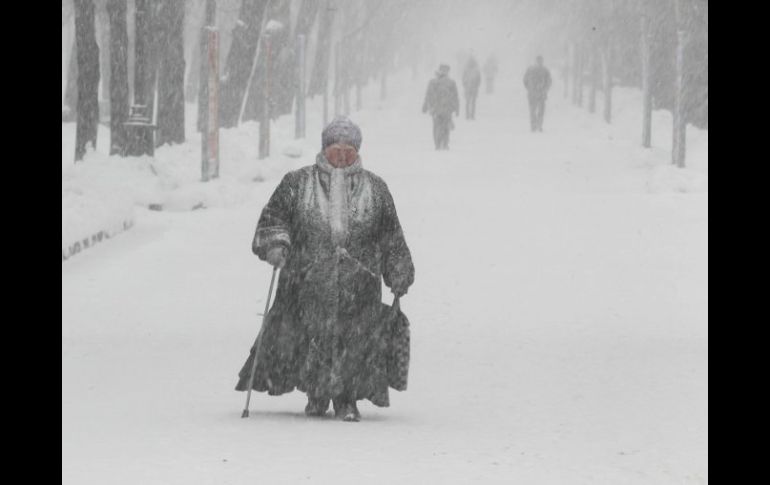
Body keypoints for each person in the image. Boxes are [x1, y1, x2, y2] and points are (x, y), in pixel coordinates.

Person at [235, 117, 415, 422]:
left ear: (358, 152)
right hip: (307, 280)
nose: (342, 155)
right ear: (324, 149)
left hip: (359, 282)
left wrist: (398, 270)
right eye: (335, 149)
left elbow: (391, 235)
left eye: (348, 150)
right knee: (311, 336)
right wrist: (277, 243)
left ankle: (347, 399)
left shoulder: (376, 188)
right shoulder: (297, 182)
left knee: (354, 340)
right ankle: (317, 393)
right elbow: (274, 217)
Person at [422, 64, 460, 150]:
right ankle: (444, 144)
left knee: (437, 126)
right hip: (446, 109)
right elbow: (455, 96)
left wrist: (425, 106)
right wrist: (456, 108)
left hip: (436, 109)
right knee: (445, 127)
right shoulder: (451, 82)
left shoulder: (433, 82)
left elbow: (428, 95)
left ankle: (438, 144)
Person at [523, 55, 552, 132]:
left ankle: (534, 125)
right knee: (540, 110)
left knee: (533, 110)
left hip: (533, 94)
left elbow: (525, 81)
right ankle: (539, 125)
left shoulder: (530, 69)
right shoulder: (545, 70)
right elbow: (549, 82)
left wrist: (529, 88)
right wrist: (545, 89)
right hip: (541, 94)